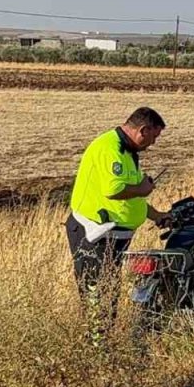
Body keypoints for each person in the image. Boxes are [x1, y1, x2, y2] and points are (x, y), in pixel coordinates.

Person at [65, 107, 169, 332]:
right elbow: (115, 190)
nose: (153, 143)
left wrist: (157, 216)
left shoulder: (129, 152)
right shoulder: (109, 148)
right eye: (154, 137)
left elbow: (132, 197)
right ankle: (98, 351)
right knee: (97, 293)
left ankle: (106, 342)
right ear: (143, 130)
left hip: (114, 237)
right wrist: (142, 189)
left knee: (110, 290)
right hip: (94, 235)